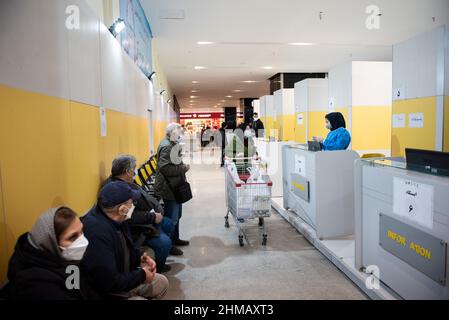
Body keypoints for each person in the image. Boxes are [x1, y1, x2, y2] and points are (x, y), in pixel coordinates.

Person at [81, 181, 169, 300]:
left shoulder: (118, 219)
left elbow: (127, 246)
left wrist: (140, 257)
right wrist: (142, 275)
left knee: (161, 282)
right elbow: (109, 282)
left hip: (123, 276)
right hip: (108, 291)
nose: (134, 204)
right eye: (131, 202)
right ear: (122, 209)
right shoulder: (96, 234)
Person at [1, 207, 98, 300]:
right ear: (51, 243)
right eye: (72, 237)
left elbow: (81, 289)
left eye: (81, 231)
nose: (82, 240)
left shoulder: (65, 260)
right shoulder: (36, 286)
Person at [102, 155, 177, 273]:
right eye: (134, 169)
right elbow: (128, 217)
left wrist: (156, 208)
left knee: (168, 224)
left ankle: (162, 255)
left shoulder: (126, 182)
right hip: (138, 228)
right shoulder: (115, 190)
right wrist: (152, 217)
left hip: (148, 218)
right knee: (164, 243)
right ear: (127, 171)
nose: (135, 172)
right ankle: (158, 269)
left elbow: (143, 198)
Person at [154, 123, 191, 254]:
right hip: (168, 187)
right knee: (172, 217)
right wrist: (183, 168)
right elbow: (164, 168)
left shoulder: (171, 143)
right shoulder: (166, 146)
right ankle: (169, 246)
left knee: (177, 215)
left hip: (175, 185)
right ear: (172, 133)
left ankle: (175, 239)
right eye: (179, 132)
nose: (180, 135)